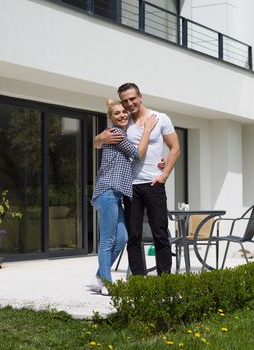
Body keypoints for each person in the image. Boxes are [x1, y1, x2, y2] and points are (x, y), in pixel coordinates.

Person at [94, 83, 180, 275]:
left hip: (153, 183)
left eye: (132, 99)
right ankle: (139, 280)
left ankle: (165, 279)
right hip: (130, 186)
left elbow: (175, 148)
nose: (129, 104)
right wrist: (100, 138)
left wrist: (164, 174)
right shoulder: (124, 123)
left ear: (140, 96)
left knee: (160, 233)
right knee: (133, 236)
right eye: (125, 101)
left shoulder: (160, 118)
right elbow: (98, 142)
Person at [90, 99, 157, 295]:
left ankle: (100, 277)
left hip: (114, 195)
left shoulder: (117, 134)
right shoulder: (117, 134)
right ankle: (107, 284)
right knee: (108, 240)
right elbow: (137, 154)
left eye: (123, 112)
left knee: (122, 237)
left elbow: (97, 144)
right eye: (117, 113)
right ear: (111, 118)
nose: (122, 115)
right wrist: (147, 129)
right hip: (108, 192)